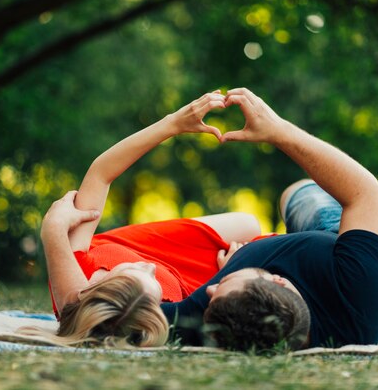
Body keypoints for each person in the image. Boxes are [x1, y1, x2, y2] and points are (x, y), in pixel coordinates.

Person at [161, 87, 378, 352]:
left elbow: (127, 315)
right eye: (223, 282)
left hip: (316, 261)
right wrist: (278, 131)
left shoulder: (221, 314)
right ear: (278, 280)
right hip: (333, 243)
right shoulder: (358, 295)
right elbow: (364, 192)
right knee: (298, 192)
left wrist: (228, 273)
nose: (209, 290)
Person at [35, 91, 261, 347]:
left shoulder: (76, 283)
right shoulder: (169, 318)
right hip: (203, 280)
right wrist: (230, 276)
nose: (150, 266)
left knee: (248, 223)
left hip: (159, 248)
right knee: (267, 237)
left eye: (135, 270)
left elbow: (101, 173)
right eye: (157, 296)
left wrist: (173, 124)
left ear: (92, 289)